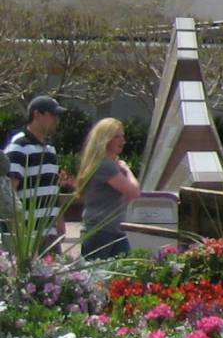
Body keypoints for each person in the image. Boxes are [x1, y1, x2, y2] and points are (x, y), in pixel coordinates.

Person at [4, 95, 65, 255]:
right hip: (28, 235)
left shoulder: (50, 149)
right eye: (53, 115)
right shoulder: (18, 147)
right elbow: (9, 192)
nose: (57, 120)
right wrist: (19, 232)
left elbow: (53, 189)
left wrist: (59, 220)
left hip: (49, 232)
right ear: (37, 115)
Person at [74, 117, 141, 260]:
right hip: (101, 231)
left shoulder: (108, 164)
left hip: (114, 230)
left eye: (123, 136)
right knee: (98, 278)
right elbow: (134, 192)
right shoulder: (105, 165)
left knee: (123, 276)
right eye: (117, 137)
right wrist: (127, 170)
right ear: (105, 139)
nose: (122, 141)